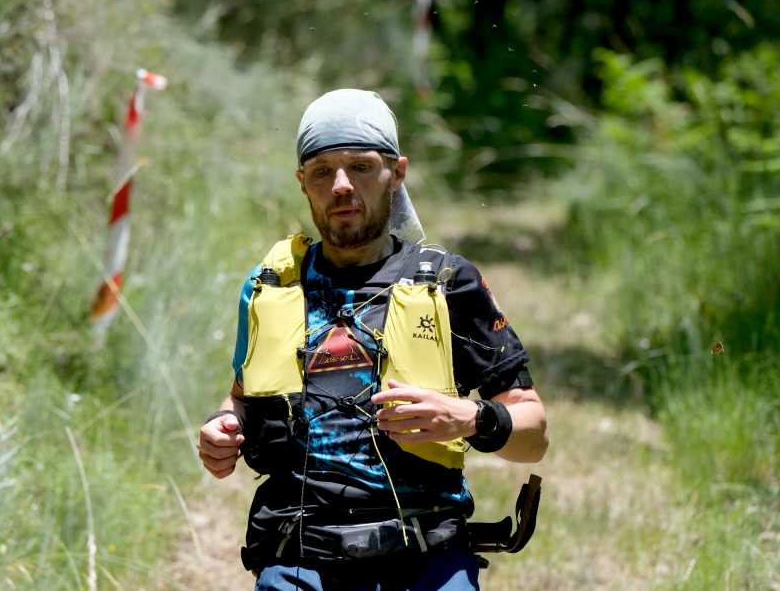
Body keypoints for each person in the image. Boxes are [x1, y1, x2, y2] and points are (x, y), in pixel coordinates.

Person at [197, 89, 549, 591]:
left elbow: (534, 435)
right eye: (322, 171)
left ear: (396, 172)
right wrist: (223, 426)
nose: (341, 185)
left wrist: (468, 418)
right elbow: (241, 394)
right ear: (303, 183)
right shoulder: (271, 287)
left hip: (426, 561)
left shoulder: (447, 283)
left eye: (361, 166)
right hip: (298, 560)